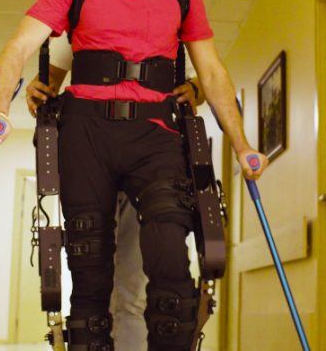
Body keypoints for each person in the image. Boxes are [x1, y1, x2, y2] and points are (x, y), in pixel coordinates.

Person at [0, 0, 268, 351]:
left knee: (171, 261)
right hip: (86, 132)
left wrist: (243, 145)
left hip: (155, 133)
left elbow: (211, 71)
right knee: (89, 279)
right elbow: (19, 46)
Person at [26, 33, 204, 350]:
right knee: (94, 287)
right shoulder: (83, 27)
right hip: (91, 158)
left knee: (133, 289)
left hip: (150, 167)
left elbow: (200, 85)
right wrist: (39, 92)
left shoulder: (168, 28)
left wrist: (194, 90)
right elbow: (48, 83)